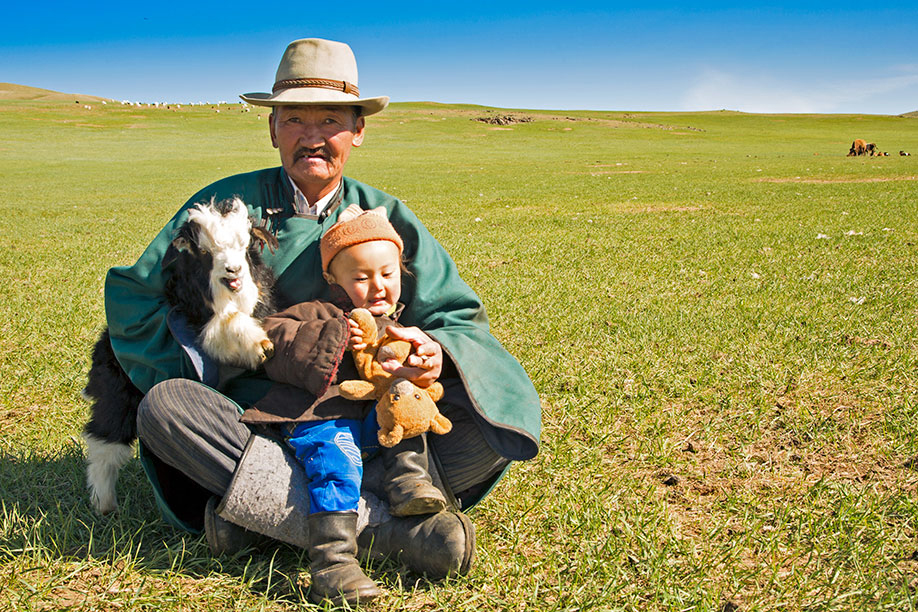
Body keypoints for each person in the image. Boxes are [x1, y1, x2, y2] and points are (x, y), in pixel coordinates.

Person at [103, 38, 541, 605]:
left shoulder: (388, 216)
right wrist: (213, 370)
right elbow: (135, 300)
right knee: (166, 408)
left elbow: (457, 315)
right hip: (257, 425)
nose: (312, 136)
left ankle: (263, 517)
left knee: (493, 407)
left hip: (378, 423)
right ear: (272, 129)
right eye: (294, 119)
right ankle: (392, 535)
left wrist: (430, 347)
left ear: (358, 130)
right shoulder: (221, 209)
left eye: (330, 119)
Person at [253, 203, 449, 602]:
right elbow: (270, 333)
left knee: (409, 406)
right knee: (337, 463)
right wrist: (337, 334)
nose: (378, 287)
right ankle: (333, 563)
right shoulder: (320, 311)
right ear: (332, 278)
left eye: (388, 274)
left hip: (371, 428)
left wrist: (424, 362)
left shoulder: (401, 327)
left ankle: (409, 484)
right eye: (361, 277)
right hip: (322, 416)